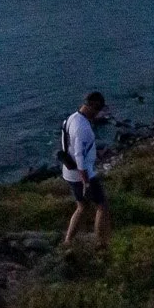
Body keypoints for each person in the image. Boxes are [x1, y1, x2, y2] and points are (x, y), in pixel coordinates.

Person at [60, 91, 111, 248]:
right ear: (93, 106)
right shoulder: (83, 128)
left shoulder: (70, 119)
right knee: (102, 206)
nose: (98, 114)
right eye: (98, 109)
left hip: (68, 172)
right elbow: (79, 157)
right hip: (84, 175)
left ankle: (68, 241)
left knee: (82, 207)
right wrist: (86, 182)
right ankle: (101, 243)